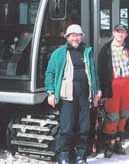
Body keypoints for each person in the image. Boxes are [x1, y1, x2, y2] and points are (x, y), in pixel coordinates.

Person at [45, 24, 102, 164]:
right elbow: (49, 73)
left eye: (78, 35)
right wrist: (50, 92)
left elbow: (93, 74)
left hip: (84, 95)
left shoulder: (87, 52)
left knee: (84, 127)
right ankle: (63, 156)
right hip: (67, 96)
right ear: (67, 37)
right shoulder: (58, 53)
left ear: (81, 37)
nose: (75, 38)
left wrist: (96, 91)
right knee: (67, 127)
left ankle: (80, 156)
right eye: (72, 35)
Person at [98, 24, 129, 158]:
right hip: (113, 84)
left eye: (123, 32)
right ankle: (110, 143)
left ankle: (119, 142)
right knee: (112, 115)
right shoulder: (106, 49)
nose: (120, 35)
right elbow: (100, 70)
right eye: (118, 32)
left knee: (124, 115)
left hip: (128, 83)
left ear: (126, 34)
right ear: (113, 33)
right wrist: (101, 89)